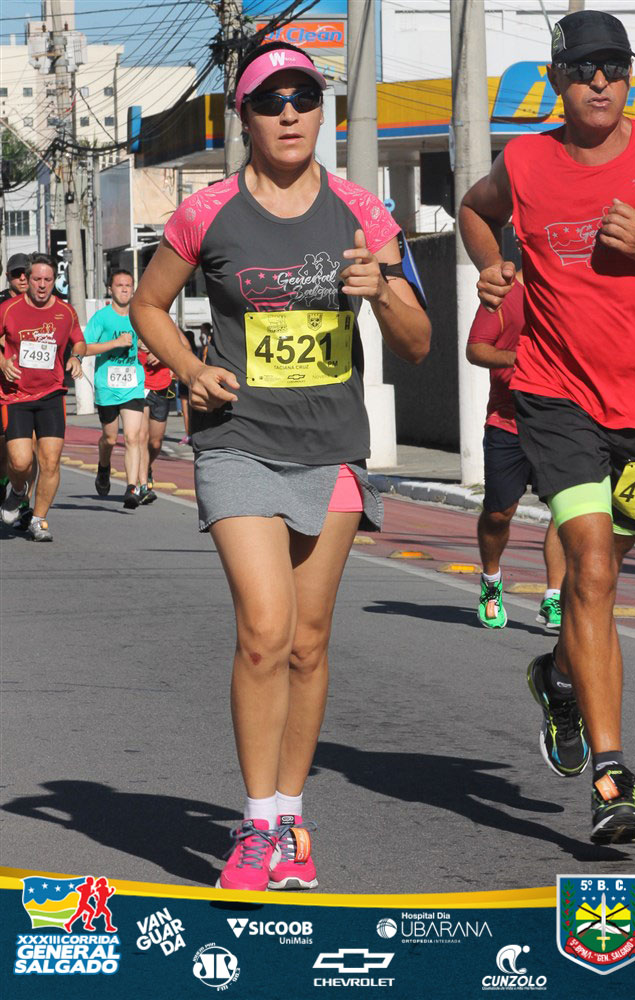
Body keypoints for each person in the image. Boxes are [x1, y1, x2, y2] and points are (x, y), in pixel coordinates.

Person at [130, 40, 430, 891]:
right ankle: (258, 823)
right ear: (245, 118)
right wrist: (188, 370)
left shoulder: (365, 214)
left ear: (321, 113)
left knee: (307, 642)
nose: (290, 113)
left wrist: (382, 290)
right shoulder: (208, 213)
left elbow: (418, 343)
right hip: (237, 441)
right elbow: (149, 304)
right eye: (270, 101)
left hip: (330, 450)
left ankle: (292, 816)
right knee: (264, 631)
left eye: (304, 98)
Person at [459, 9, 635, 844]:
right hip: (556, 395)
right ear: (556, 81)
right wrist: (491, 265)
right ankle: (612, 778)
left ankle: (556, 676)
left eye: (613, 66)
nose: (600, 82)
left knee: (601, 574)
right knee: (587, 566)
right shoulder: (525, 161)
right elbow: (473, 209)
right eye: (583, 69)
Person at [467, 271, 565, 630]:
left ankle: (554, 596)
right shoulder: (504, 293)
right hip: (508, 421)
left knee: (566, 509)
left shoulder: (573, 291)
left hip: (562, 422)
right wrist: (521, 358)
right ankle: (491, 581)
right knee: (499, 513)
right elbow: (476, 348)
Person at [0, 253, 85, 541]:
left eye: (48, 279)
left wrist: (76, 357)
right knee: (20, 462)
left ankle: (39, 519)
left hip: (51, 395)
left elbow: (79, 341)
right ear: (27, 279)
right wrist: (2, 362)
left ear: (54, 280)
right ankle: (18, 491)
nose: (42, 285)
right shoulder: (9, 309)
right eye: (37, 279)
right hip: (17, 396)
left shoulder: (66, 311)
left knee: (50, 460)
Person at [84, 270, 147, 509]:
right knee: (109, 439)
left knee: (132, 437)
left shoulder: (139, 316)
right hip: (107, 386)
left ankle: (132, 487)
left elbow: (153, 339)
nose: (124, 289)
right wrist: (116, 343)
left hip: (133, 385)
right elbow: (84, 348)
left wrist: (149, 348)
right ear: (110, 289)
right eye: (119, 285)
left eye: (128, 285)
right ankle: (104, 467)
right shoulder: (102, 317)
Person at [0, 253, 36, 512]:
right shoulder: (2, 304)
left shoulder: (44, 303)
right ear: (8, 276)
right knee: (5, 449)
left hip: (36, 389)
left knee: (31, 449)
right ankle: (5, 483)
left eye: (26, 273)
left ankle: (25, 504)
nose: (22, 278)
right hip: (5, 388)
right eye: (16, 274)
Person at [137, 339, 171, 500]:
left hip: (161, 386)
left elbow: (182, 347)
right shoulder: (131, 326)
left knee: (155, 443)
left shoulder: (165, 327)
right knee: (142, 438)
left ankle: (147, 466)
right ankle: (143, 484)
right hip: (139, 385)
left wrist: (160, 354)